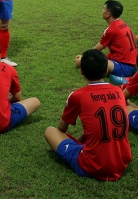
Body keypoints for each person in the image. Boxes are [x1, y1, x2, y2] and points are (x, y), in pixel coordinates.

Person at [45, 49, 132, 181]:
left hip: (94, 166)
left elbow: (62, 129)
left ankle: (83, 152)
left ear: (81, 71)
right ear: (106, 71)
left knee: (50, 131)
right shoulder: (118, 92)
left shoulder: (78, 95)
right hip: (122, 160)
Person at [75, 0, 137, 85]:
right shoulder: (122, 23)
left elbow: (96, 51)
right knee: (102, 57)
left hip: (125, 68)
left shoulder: (111, 29)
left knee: (94, 61)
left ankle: (123, 80)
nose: (102, 11)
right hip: (132, 64)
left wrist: (83, 60)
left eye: (104, 8)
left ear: (108, 14)